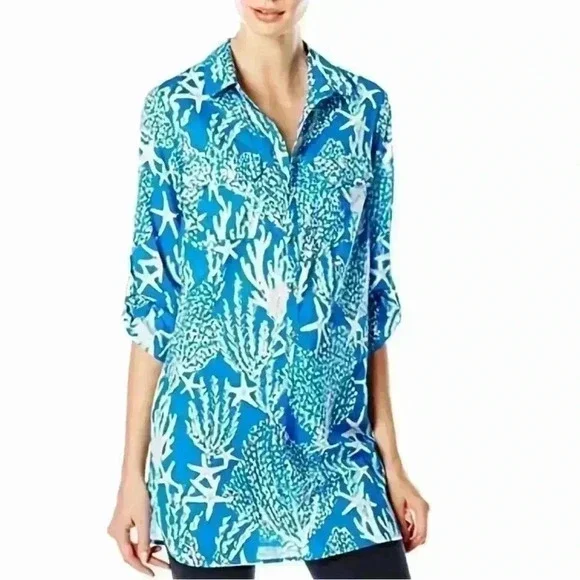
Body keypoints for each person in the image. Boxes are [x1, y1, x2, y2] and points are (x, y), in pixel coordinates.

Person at [107, 1, 429, 578]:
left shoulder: (362, 109)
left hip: (335, 441)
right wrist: (132, 476)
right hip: (207, 449)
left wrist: (392, 460)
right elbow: (155, 297)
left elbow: (370, 295)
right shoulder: (178, 109)